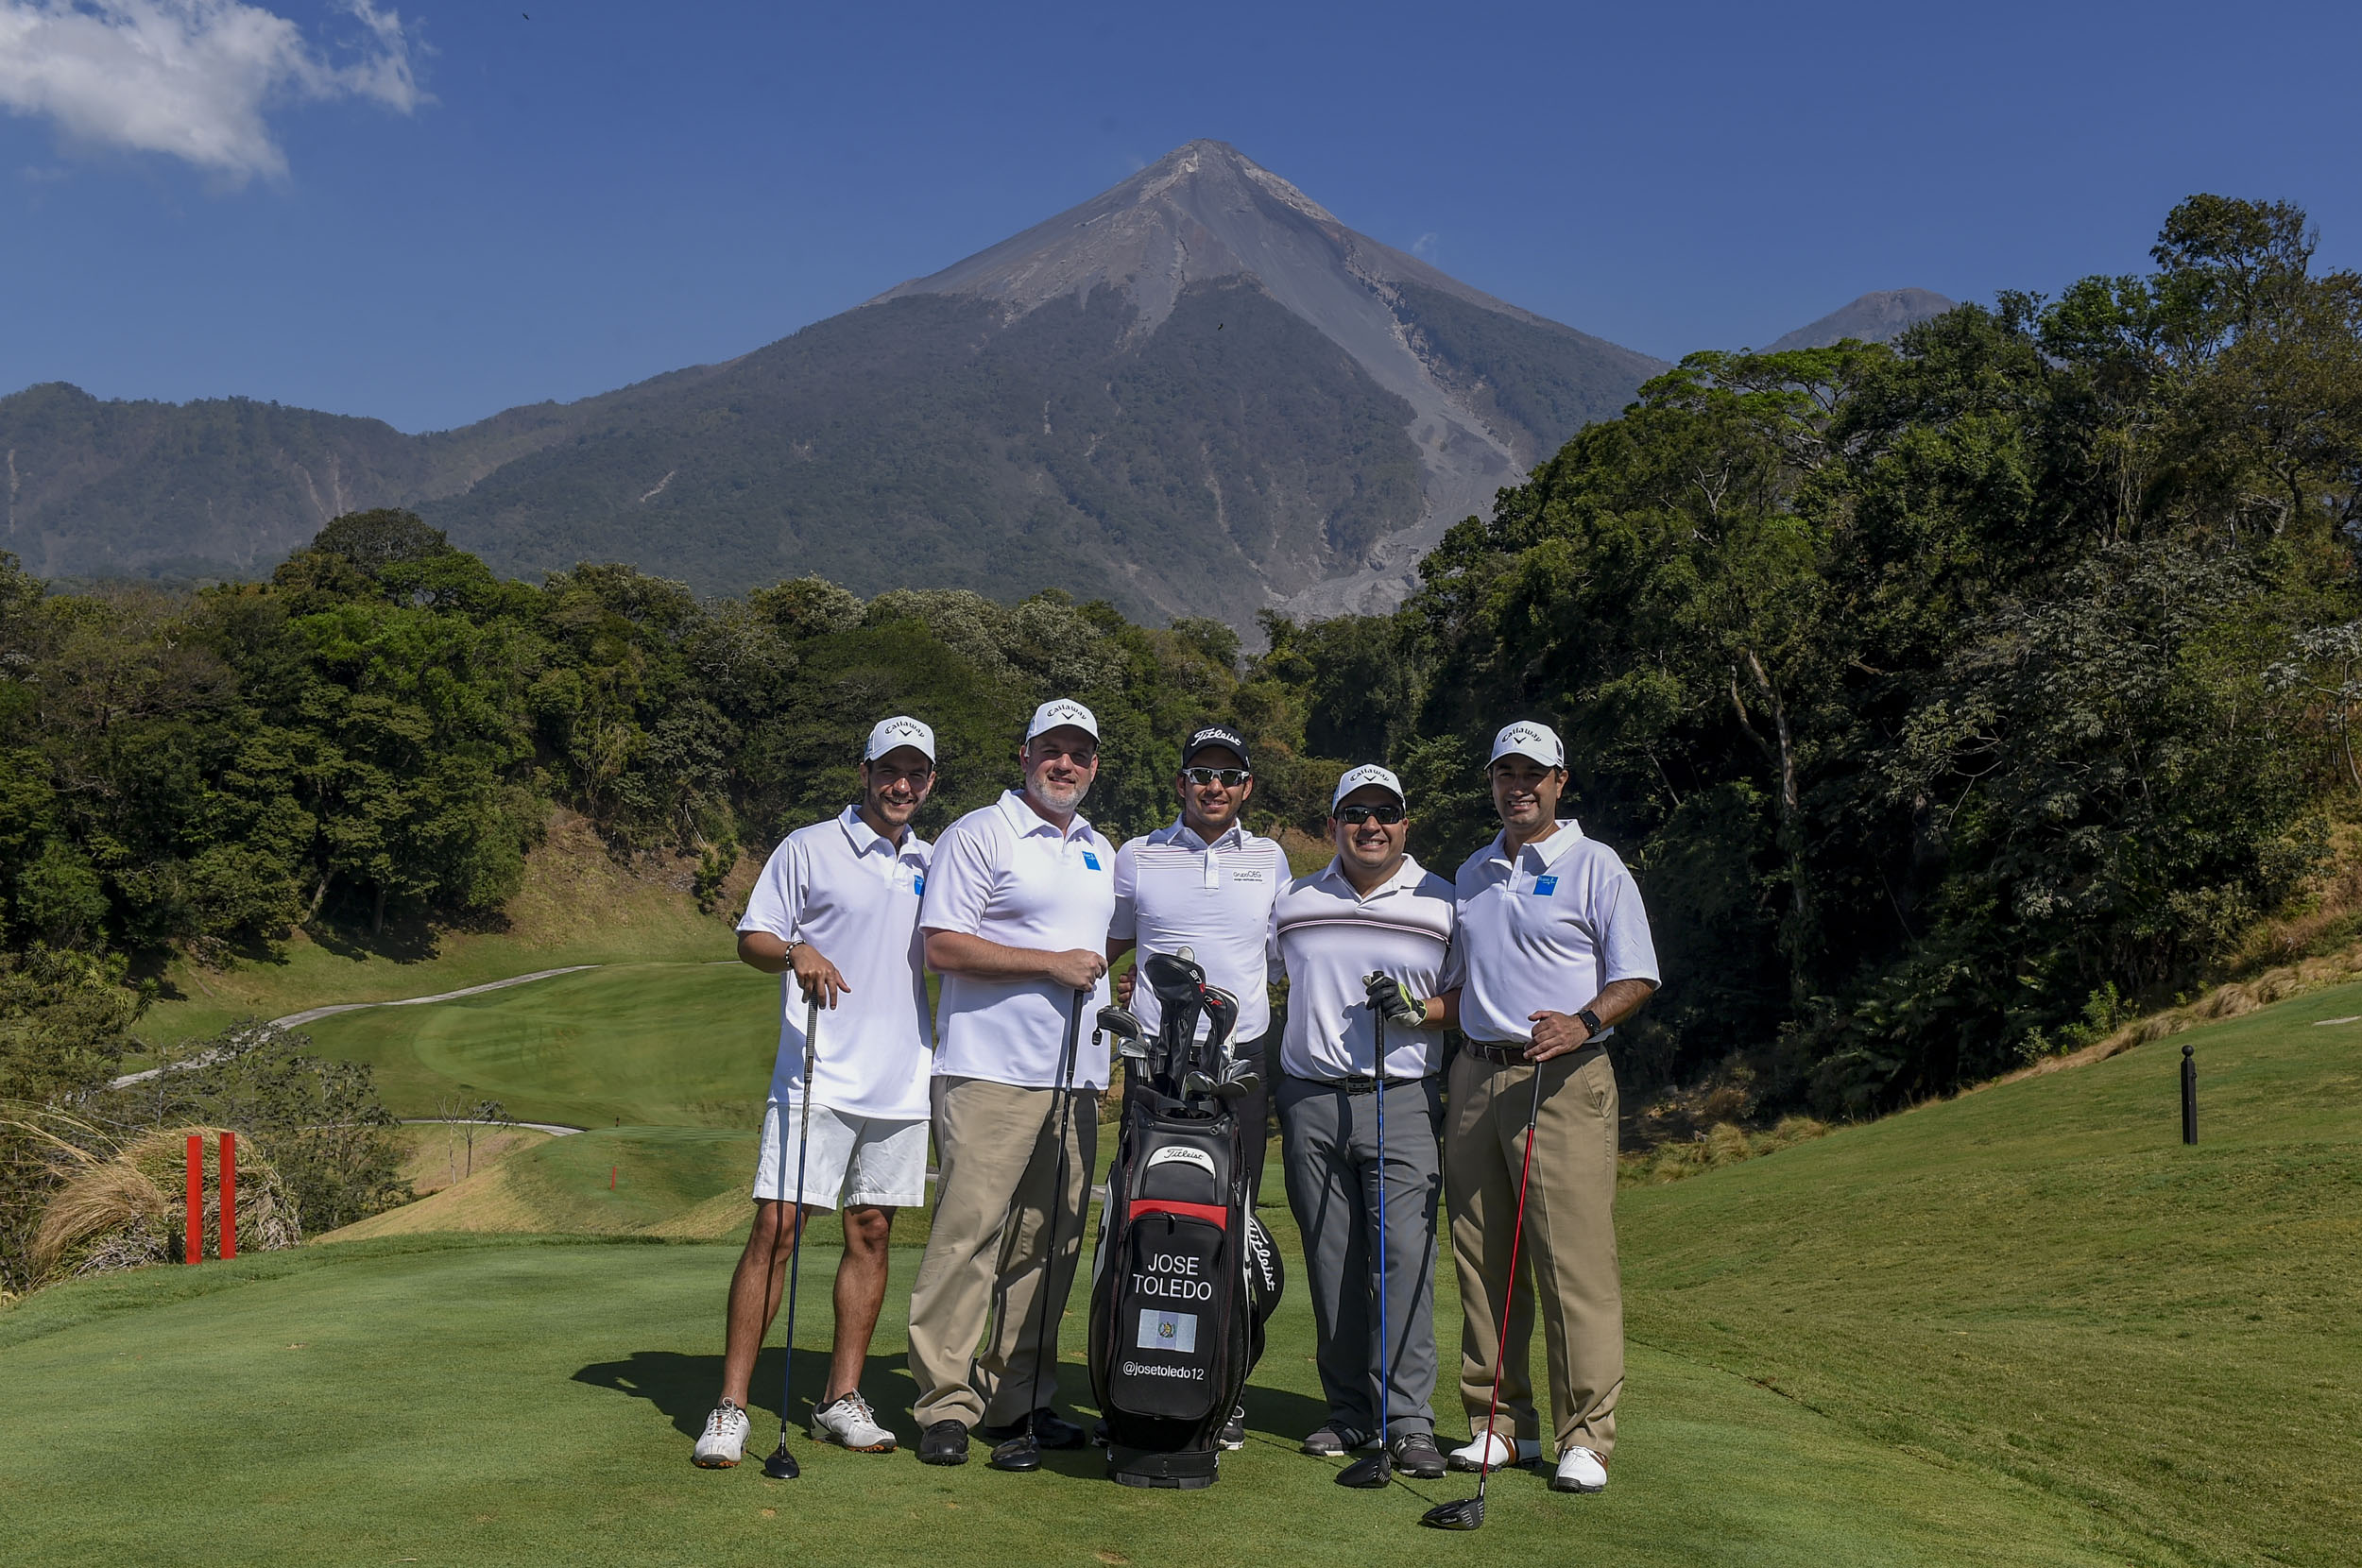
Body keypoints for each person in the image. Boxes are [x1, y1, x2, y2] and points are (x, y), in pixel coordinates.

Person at [1418, 720, 1659, 1496]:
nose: (1517, 786)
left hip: (1563, 1078)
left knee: (1571, 1262)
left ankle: (1585, 1436)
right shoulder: (1474, 872)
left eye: (1533, 774)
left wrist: (1584, 1020)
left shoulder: (1596, 864)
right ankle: (1499, 1424)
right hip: (1475, 1077)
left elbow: (1638, 975)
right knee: (1482, 1261)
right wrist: (1401, 1007)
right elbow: (1460, 994)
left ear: (1560, 781)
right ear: (1491, 782)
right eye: (1504, 774)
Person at [694, 716, 941, 1467]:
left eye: (917, 774)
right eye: (889, 770)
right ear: (863, 771)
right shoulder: (808, 846)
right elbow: (752, 937)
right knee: (779, 1228)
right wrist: (796, 947)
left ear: (930, 782)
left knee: (870, 1230)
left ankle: (840, 1398)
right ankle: (731, 1406)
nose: (902, 785)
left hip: (903, 1079)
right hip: (820, 1072)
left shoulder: (935, 859)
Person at [906, 698, 1118, 1467]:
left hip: (1076, 1078)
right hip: (989, 1072)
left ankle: (1017, 1399)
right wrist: (1049, 964)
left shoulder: (1101, 848)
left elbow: (1100, 947)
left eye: (1080, 753)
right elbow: (944, 947)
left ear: (1094, 765)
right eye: (1052, 750)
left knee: (1049, 1243)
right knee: (969, 1238)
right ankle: (944, 1405)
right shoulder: (979, 833)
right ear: (1023, 755)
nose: (1066, 764)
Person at [1269, 763, 1458, 1479]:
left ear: (1405, 823)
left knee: (1402, 1261)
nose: (1369, 826)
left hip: (1402, 1100)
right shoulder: (1295, 901)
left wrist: (1421, 1011)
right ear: (1332, 826)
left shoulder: (1443, 901)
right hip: (1311, 1099)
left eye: (1384, 813)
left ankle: (1407, 1420)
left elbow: (1473, 999)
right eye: (1354, 814)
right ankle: (1348, 1412)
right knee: (1332, 1261)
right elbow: (1248, 971)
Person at [1107, 722, 1289, 1451]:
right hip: (1153, 1066)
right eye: (1200, 773)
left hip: (1237, 1066)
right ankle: (1131, 1369)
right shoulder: (1138, 855)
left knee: (1231, 1221)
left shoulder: (1271, 859)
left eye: (1227, 775)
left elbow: (1286, 952)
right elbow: (1108, 945)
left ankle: (1224, 1384)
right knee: (1139, 1217)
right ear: (1180, 782)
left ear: (1245, 787)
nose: (1213, 786)